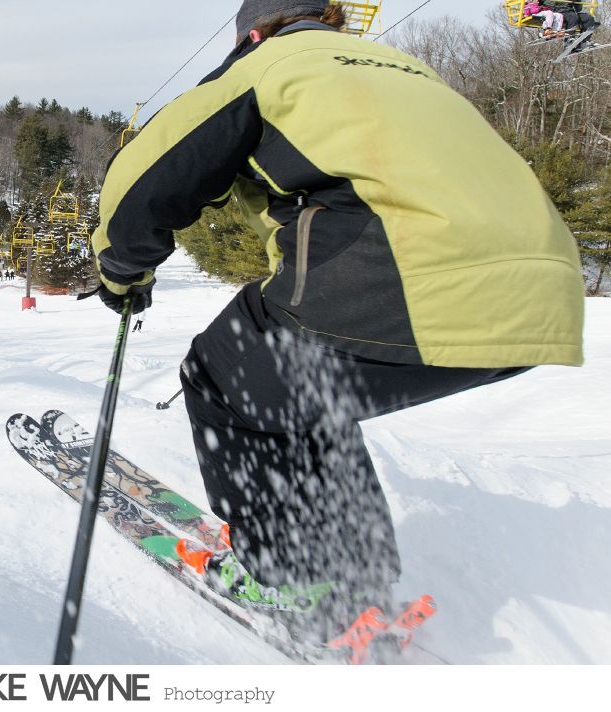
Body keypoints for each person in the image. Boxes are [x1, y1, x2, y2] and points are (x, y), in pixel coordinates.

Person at [87, 0, 584, 649]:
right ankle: (358, 571)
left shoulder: (268, 68)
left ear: (254, 35)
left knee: (220, 373)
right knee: (303, 384)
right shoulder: (407, 70)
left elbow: (141, 179)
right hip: (541, 296)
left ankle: (282, 575)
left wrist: (123, 276)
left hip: (404, 278)